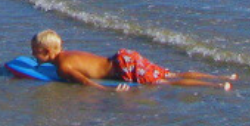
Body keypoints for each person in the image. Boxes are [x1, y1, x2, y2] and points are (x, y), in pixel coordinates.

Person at [30, 30, 236, 92]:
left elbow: (85, 81)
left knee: (164, 81)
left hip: (124, 68)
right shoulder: (68, 54)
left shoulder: (64, 67)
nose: (33, 56)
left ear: (47, 52)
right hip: (123, 57)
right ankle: (222, 76)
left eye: (35, 53)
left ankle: (217, 85)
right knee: (169, 73)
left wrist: (109, 91)